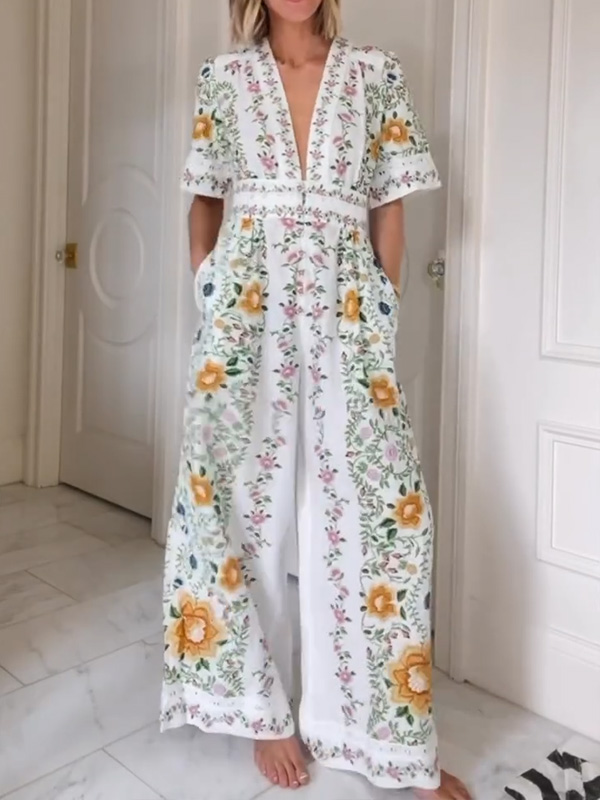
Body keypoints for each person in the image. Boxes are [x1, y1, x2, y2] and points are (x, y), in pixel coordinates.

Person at [161, 1, 471, 797]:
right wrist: (210, 283)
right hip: (243, 308)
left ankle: (386, 738)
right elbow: (205, 194)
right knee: (225, 495)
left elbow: (389, 204)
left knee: (388, 507)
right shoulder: (224, 77)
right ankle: (258, 708)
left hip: (348, 307)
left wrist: (382, 303)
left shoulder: (376, 73)